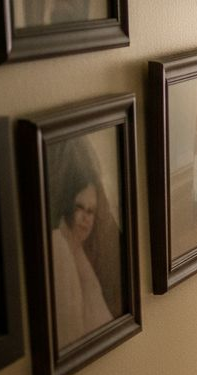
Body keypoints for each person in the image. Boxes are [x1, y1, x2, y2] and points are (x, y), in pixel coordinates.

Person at [48, 139, 113, 350]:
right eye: (79, 208)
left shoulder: (79, 252)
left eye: (90, 211)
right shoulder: (59, 249)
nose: (85, 218)